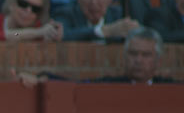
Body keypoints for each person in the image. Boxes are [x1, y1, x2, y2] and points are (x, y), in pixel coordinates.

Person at [15, 27, 177, 84]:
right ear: (125, 56)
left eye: (146, 55)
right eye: (133, 54)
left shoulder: (172, 89)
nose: (138, 60)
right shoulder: (110, 85)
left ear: (158, 60)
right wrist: (41, 79)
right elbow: (76, 85)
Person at [51, 0, 139, 40]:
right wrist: (103, 31)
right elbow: (61, 35)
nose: (94, 2)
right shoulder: (65, 13)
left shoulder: (120, 16)